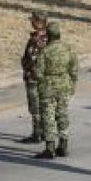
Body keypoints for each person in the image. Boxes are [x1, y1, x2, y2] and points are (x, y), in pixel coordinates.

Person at [33, 22, 78, 159]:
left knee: (48, 116)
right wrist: (72, 86)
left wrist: (41, 84)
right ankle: (63, 146)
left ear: (49, 35)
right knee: (63, 114)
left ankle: (50, 149)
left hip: (48, 87)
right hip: (64, 85)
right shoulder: (68, 49)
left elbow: (38, 72)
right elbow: (74, 70)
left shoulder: (45, 51)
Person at [19, 11, 48, 144]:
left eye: (33, 20)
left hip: (34, 77)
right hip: (43, 77)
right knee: (42, 105)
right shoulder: (49, 36)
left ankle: (37, 134)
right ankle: (44, 131)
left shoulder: (38, 39)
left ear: (39, 22)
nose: (31, 22)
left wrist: (25, 65)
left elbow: (32, 58)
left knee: (35, 106)